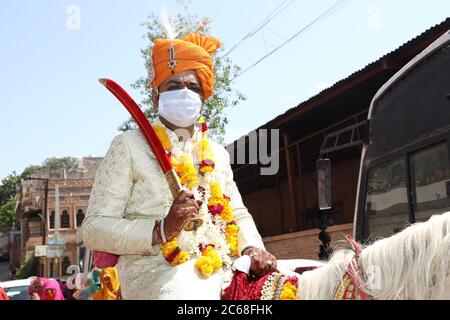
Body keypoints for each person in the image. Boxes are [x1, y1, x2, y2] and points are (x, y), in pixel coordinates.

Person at [82, 31, 276, 299]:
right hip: (158, 275)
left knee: (291, 287)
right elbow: (94, 229)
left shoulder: (217, 153)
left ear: (204, 97)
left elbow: (237, 211)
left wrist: (252, 248)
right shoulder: (128, 145)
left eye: (193, 87)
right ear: (155, 95)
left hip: (223, 269)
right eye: (173, 86)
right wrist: (160, 229)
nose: (184, 92)